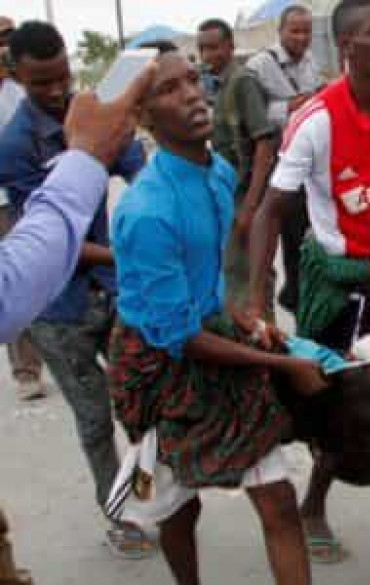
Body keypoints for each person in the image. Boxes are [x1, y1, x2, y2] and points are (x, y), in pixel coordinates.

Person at [108, 47, 323, 585]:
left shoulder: (220, 173)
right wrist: (283, 365)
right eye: (169, 89)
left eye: (192, 80)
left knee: (278, 500)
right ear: (143, 116)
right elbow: (179, 336)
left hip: (214, 341)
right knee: (177, 507)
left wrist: (245, 317)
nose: (192, 96)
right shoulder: (146, 211)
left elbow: (207, 279)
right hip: (160, 371)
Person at [248, 0, 370, 564]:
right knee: (334, 400)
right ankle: (313, 507)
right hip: (338, 277)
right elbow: (270, 211)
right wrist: (259, 303)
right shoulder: (316, 120)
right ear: (346, 47)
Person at [0, 21, 156, 559]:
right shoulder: (12, 145)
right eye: (40, 83)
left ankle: (148, 494)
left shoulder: (95, 114)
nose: (55, 91)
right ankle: (120, 515)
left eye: (61, 77)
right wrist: (128, 253)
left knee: (140, 404)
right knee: (93, 420)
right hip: (55, 308)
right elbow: (47, 241)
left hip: (112, 293)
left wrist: (158, 217)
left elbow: (140, 173)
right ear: (15, 76)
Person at [247, 5, 323, 313]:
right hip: (273, 162)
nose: (302, 37)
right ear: (280, 32)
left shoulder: (311, 61)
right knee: (277, 233)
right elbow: (254, 116)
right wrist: (297, 105)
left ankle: (299, 293)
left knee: (304, 233)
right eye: (295, 31)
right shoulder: (259, 65)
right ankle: (273, 300)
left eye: (307, 31)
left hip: (307, 162)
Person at [197, 19, 277, 309]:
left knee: (252, 276)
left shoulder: (242, 82)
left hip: (245, 194)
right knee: (233, 273)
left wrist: (250, 206)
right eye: (203, 49)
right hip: (229, 194)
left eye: (214, 47)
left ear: (230, 47)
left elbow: (264, 143)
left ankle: (261, 330)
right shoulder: (215, 85)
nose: (207, 55)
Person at [0, 16, 45, 402]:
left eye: (8, 38)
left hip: (29, 195)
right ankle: (26, 368)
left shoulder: (21, 91)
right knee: (12, 283)